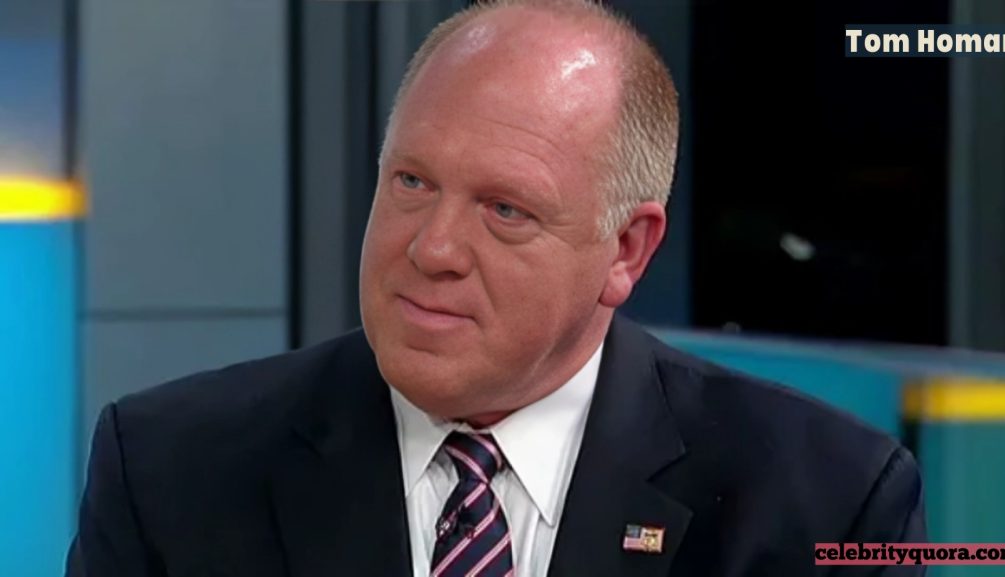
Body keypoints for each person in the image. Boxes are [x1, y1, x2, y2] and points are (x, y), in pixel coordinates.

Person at [66, 1, 925, 575]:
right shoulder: (169, 473)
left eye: (505, 209)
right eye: (410, 182)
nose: (433, 247)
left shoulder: (826, 503)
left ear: (627, 250)